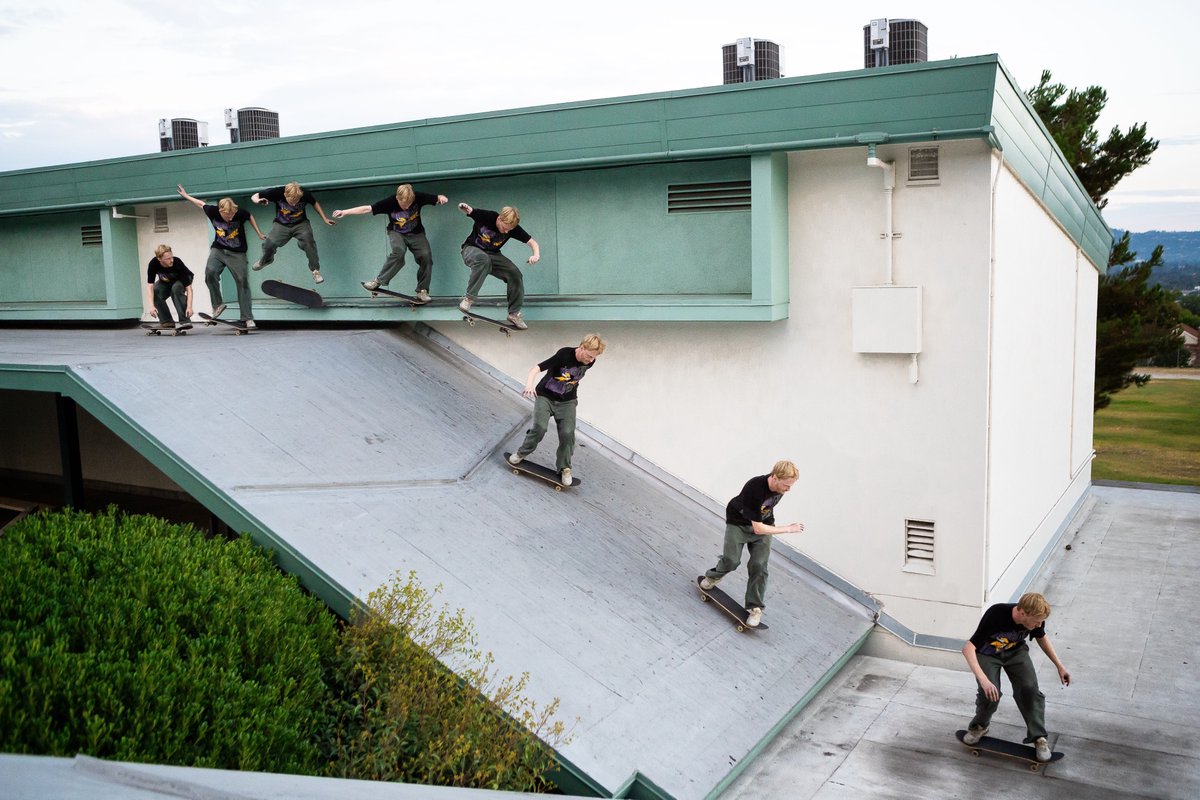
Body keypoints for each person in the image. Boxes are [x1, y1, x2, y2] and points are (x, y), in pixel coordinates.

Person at [960, 591, 1071, 762]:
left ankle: (1039, 738)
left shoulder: (1035, 619)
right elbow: (968, 648)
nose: (1039, 625)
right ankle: (979, 726)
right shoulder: (996, 615)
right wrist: (984, 681)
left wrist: (1060, 666)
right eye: (1036, 621)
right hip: (987, 654)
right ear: (1022, 613)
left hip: (1015, 652)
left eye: (1041, 621)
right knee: (991, 692)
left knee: (1030, 689)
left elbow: (1042, 637)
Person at [700, 461, 806, 628]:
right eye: (786, 485)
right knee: (731, 561)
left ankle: (755, 607)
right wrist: (788, 529)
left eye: (790, 486)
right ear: (775, 477)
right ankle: (713, 576)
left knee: (759, 565)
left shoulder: (780, 488)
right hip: (739, 523)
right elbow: (757, 529)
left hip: (763, 524)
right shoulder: (755, 487)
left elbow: (764, 514)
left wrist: (770, 525)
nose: (788, 490)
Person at [507, 334, 606, 485]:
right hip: (545, 396)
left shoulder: (591, 362)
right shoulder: (564, 354)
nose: (591, 360)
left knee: (567, 434)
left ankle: (565, 468)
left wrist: (590, 359)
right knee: (539, 427)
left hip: (567, 402)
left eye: (594, 358)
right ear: (582, 347)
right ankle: (521, 453)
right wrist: (529, 385)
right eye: (589, 356)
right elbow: (536, 369)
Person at [332, 184, 447, 302]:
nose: (406, 207)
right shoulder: (389, 202)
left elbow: (438, 197)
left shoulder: (418, 197)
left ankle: (422, 291)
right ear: (398, 198)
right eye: (404, 204)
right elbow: (367, 208)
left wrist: (442, 198)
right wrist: (345, 212)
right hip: (396, 233)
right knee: (399, 251)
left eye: (409, 204)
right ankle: (377, 281)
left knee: (426, 256)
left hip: (417, 234)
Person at [176, 184, 265, 328]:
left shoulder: (239, 213)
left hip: (237, 253)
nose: (229, 218)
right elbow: (200, 203)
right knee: (210, 272)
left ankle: (247, 318)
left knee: (242, 281)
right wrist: (186, 196)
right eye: (226, 215)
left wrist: (259, 233)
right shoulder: (212, 211)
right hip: (218, 250)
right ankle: (217, 305)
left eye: (231, 215)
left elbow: (250, 216)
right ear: (220, 211)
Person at [457, 202, 539, 330]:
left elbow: (533, 242)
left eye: (509, 230)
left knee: (515, 273)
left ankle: (514, 314)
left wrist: (536, 255)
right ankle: (468, 299)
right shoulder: (488, 216)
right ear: (500, 218)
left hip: (493, 255)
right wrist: (464, 207)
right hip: (471, 249)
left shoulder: (513, 228)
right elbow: (470, 211)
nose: (507, 231)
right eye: (505, 228)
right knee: (483, 259)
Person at [251, 181, 335, 284]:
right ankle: (265, 260)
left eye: (297, 200)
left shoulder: (304, 193)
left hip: (301, 224)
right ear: (285, 195)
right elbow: (254, 196)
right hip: (282, 225)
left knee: (309, 242)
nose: (294, 203)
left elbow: (314, 203)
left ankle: (315, 271)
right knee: (270, 243)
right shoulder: (277, 192)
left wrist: (325, 218)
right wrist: (258, 201)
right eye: (291, 200)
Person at [144, 244, 194, 330]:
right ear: (159, 259)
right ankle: (167, 321)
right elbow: (150, 286)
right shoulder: (153, 264)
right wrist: (151, 306)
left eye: (172, 257)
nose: (171, 260)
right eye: (168, 259)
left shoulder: (177, 263)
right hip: (166, 281)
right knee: (155, 290)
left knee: (176, 288)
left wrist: (189, 306)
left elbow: (189, 289)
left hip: (182, 280)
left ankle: (185, 320)